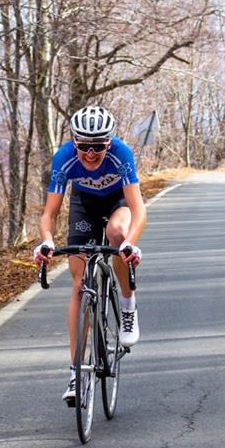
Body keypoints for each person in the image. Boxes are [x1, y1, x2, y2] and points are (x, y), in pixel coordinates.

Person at [32, 105, 146, 405]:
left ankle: (127, 304)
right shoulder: (64, 158)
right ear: (74, 141)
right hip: (84, 204)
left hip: (117, 201)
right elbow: (49, 214)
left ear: (109, 142)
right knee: (79, 283)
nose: (91, 153)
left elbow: (139, 209)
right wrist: (45, 242)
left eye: (98, 146)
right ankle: (76, 372)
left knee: (116, 236)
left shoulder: (121, 154)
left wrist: (130, 244)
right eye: (84, 145)